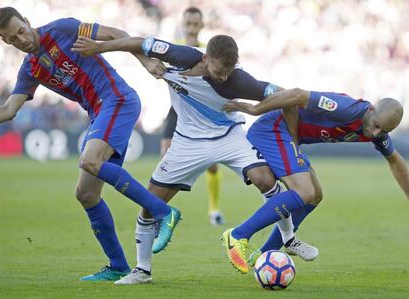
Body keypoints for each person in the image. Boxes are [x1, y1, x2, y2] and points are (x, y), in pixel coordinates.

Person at [71, 34, 318, 283]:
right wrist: (105, 49)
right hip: (186, 142)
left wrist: (260, 109)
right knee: (149, 204)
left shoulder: (239, 81)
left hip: (229, 136)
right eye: (218, 71)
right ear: (205, 58)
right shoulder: (179, 55)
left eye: (227, 72)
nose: (223, 78)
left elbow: (285, 94)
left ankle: (288, 239)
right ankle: (142, 270)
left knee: (265, 179)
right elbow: (137, 42)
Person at [0, 6, 181, 281]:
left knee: (89, 160)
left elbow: (117, 34)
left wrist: (145, 61)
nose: (21, 40)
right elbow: (10, 109)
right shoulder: (30, 69)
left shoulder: (63, 29)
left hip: (118, 99)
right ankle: (118, 264)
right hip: (99, 113)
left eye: (21, 31)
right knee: (86, 193)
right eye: (12, 39)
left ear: (27, 21)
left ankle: (164, 211)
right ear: (6, 42)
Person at [221, 88, 409, 272]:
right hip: (273, 130)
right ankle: (238, 235)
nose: (375, 134)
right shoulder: (347, 108)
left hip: (289, 139)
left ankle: (267, 252)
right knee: (305, 191)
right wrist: (255, 110)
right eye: (376, 126)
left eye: (384, 131)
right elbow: (296, 94)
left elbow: (395, 160)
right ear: (371, 110)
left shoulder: (377, 129)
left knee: (315, 195)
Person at [160, 7, 225, 226]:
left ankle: (214, 209)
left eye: (195, 24)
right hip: (177, 108)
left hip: (200, 110)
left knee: (212, 164)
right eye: (188, 24)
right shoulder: (173, 47)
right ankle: (162, 211)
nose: (191, 28)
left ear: (201, 26)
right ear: (182, 23)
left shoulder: (207, 52)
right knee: (166, 156)